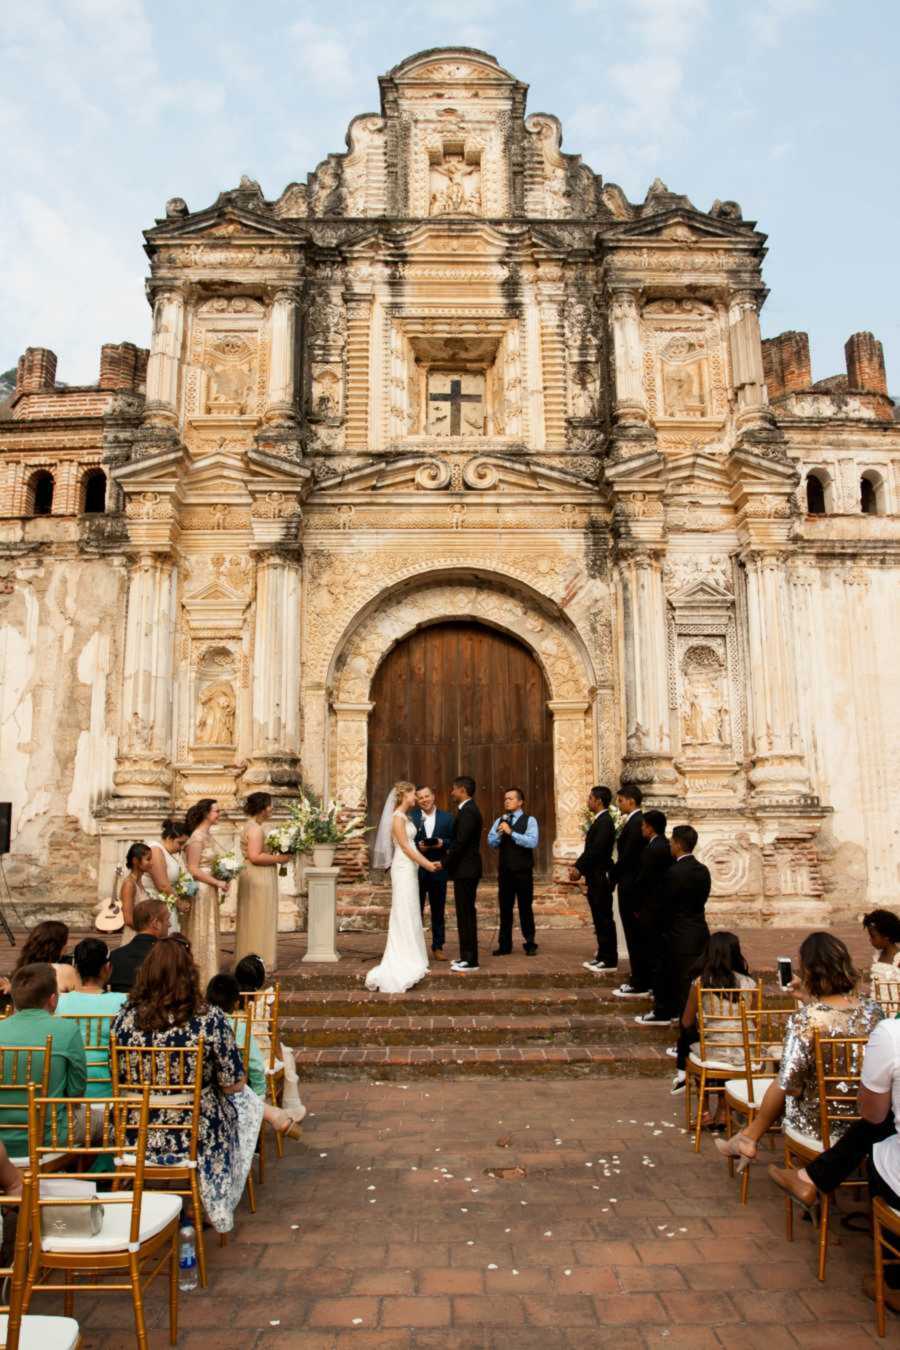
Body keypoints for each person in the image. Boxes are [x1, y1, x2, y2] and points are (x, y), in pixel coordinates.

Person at [111, 937, 265, 1234]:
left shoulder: (122, 1020)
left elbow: (115, 1075)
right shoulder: (208, 1019)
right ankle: (214, 1200)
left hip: (136, 1129)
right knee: (242, 1106)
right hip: (193, 1131)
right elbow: (233, 1082)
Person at [716, 932, 883, 1170]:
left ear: (808, 971)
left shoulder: (806, 1020)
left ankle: (748, 1137)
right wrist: (806, 998)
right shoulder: (873, 1011)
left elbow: (788, 1081)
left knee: (786, 1081)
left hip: (819, 1123)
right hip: (867, 1118)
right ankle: (746, 1138)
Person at [766, 1015, 900, 1308]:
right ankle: (812, 1178)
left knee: (879, 1132)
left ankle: (894, 1282)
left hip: (824, 1123)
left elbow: (872, 1113)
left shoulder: (891, 1032)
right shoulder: (871, 1010)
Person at [0, 963, 87, 1155]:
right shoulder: (67, 1030)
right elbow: (77, 1091)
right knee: (104, 1122)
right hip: (50, 1136)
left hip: (2, 1144)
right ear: (53, 999)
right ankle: (87, 1176)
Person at [669, 932, 756, 1115]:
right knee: (720, 1041)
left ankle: (705, 1108)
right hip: (746, 1051)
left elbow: (686, 1021)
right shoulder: (750, 983)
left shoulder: (701, 983)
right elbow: (754, 1019)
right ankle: (723, 1109)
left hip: (714, 1049)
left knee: (692, 1039)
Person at [366, 781, 440, 993]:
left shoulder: (405, 817)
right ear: (404, 795)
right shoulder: (397, 818)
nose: (416, 798)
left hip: (410, 868)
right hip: (403, 867)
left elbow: (411, 846)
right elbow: (406, 848)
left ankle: (414, 954)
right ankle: (403, 957)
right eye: (413, 794)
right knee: (403, 910)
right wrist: (427, 864)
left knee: (410, 909)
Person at [205, 974, 302, 1135]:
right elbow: (255, 1065)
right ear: (236, 1003)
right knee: (246, 1086)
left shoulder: (198, 1025)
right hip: (231, 1089)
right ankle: (268, 1120)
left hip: (206, 1089)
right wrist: (259, 1094)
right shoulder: (239, 1028)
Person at [234, 953, 305, 1121]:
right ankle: (287, 1110)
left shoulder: (234, 999)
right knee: (288, 1058)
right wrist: (280, 1056)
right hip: (263, 1054)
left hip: (239, 1053)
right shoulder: (266, 998)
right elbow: (273, 1032)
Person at [57, 937, 127, 1097]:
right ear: (107, 968)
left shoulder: (60, 1002)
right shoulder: (123, 1002)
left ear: (75, 968)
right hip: (112, 1092)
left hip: (70, 1092)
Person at [235, 792, 293, 971]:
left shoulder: (252, 826)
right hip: (258, 876)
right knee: (259, 917)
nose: (271, 808)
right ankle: (259, 960)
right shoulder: (255, 829)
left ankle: (252, 957)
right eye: (269, 805)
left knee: (254, 917)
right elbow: (255, 856)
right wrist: (280, 859)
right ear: (262, 808)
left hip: (255, 874)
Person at [660, 825, 712, 1021]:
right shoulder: (703, 870)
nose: (670, 844)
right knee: (696, 982)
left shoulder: (674, 872)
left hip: (679, 934)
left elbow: (667, 904)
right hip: (699, 930)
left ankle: (687, 1034)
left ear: (679, 844)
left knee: (684, 986)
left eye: (672, 841)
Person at [632, 810, 675, 1025]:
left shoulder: (653, 849)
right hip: (660, 908)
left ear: (649, 827)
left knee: (655, 954)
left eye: (643, 826)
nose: (641, 829)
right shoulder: (663, 846)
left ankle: (660, 1003)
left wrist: (637, 904)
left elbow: (644, 879)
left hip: (652, 908)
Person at [488, 788, 540, 957]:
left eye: (510, 799)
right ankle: (504, 945)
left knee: (525, 907)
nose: (506, 801)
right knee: (505, 909)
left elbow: (532, 841)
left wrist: (512, 833)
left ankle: (530, 942)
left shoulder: (530, 820)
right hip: (505, 873)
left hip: (523, 872)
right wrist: (499, 833)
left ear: (520, 802)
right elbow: (491, 841)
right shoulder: (500, 820)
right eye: (505, 799)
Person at [571, 786, 617, 974]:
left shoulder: (605, 822)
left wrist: (578, 868)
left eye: (590, 798)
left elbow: (596, 850)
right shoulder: (600, 821)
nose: (588, 801)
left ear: (598, 801)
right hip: (594, 876)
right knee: (599, 917)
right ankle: (602, 955)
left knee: (604, 918)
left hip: (600, 876)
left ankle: (609, 958)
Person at [183, 797, 228, 990]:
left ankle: (211, 972)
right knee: (201, 928)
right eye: (216, 811)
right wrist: (216, 881)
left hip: (210, 887)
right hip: (201, 888)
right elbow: (193, 869)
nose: (219, 814)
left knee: (210, 927)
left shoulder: (208, 836)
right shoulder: (197, 838)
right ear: (206, 814)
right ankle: (200, 977)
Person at [610, 784, 648, 998]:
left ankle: (639, 980)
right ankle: (638, 977)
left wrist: (611, 876)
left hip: (631, 886)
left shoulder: (635, 823)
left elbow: (628, 857)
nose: (619, 804)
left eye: (621, 800)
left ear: (631, 801)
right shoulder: (634, 822)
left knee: (634, 934)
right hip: (629, 883)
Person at [444, 776, 484, 974]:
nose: (451, 793)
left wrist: (444, 863)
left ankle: (471, 960)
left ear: (462, 790)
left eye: (454, 789)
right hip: (464, 870)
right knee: (463, 913)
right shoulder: (467, 810)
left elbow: (460, 843)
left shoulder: (468, 812)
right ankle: (466, 956)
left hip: (466, 870)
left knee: (466, 914)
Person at [411, 786, 453, 962]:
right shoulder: (411, 817)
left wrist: (442, 843)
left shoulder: (447, 817)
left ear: (433, 796)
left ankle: (438, 946)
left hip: (437, 869)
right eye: (420, 798)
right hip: (417, 870)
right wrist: (417, 846)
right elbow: (405, 841)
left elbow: (454, 841)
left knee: (438, 910)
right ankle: (415, 947)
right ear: (417, 800)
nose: (424, 800)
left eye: (427, 796)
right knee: (415, 910)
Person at [108, 897, 171, 994]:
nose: (169, 924)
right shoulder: (166, 956)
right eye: (167, 919)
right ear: (155, 923)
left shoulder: (116, 955)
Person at [144, 818, 189, 934]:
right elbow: (162, 885)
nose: (181, 847)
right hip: (155, 903)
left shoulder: (166, 852)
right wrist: (179, 903)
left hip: (167, 902)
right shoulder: (156, 850)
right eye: (180, 843)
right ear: (169, 838)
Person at [13, 921, 79, 994]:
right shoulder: (65, 970)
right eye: (66, 940)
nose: (67, 944)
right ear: (57, 945)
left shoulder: (23, 969)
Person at [118, 842, 154, 945]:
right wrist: (148, 932)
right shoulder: (129, 884)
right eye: (148, 859)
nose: (151, 863)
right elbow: (128, 919)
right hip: (135, 937)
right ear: (135, 861)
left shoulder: (140, 882)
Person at [863, 908, 900, 999]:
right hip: (877, 1006)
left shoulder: (898, 959)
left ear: (886, 937)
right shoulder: (878, 955)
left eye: (873, 936)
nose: (870, 940)